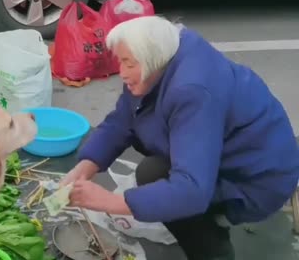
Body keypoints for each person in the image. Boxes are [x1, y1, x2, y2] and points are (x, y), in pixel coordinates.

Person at [60, 15, 299, 260]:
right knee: (153, 176)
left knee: (161, 183)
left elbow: (191, 191)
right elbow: (124, 118)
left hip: (256, 176)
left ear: (151, 61)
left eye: (128, 64)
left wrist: (110, 202)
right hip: (223, 151)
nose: (121, 72)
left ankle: (213, 253)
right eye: (120, 62)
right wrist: (87, 165)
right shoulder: (162, 57)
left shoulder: (192, 92)